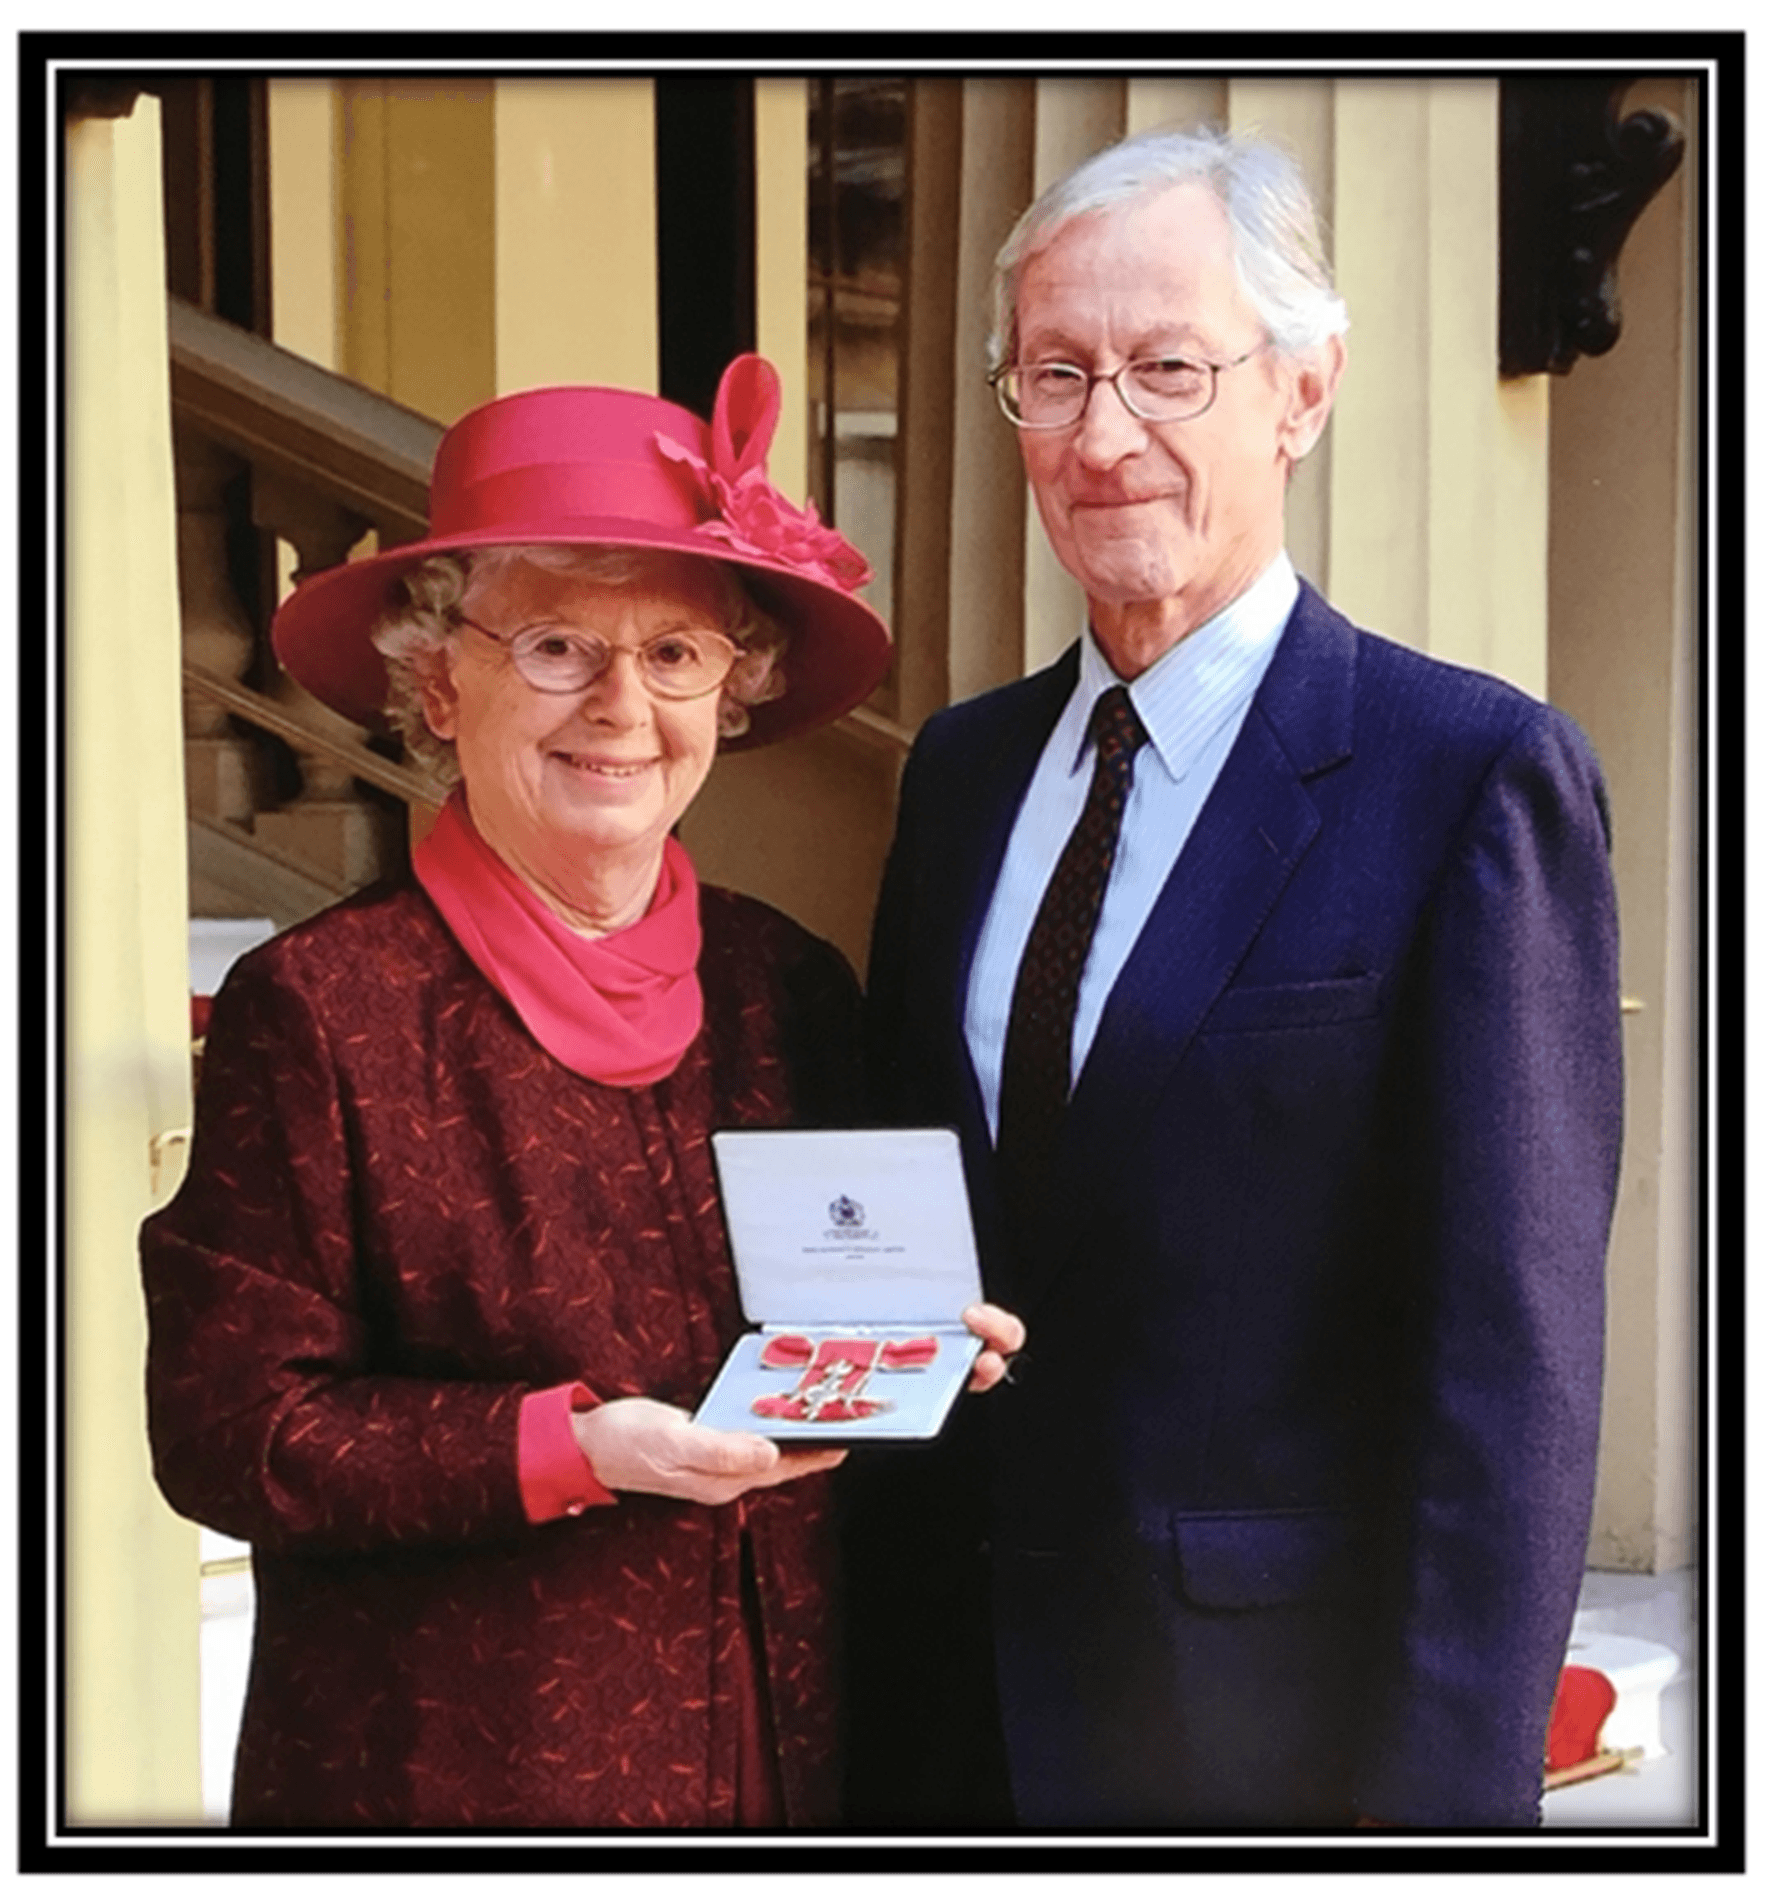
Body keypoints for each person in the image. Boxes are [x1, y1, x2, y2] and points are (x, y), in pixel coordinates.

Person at [849, 126, 1623, 1829]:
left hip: (1276, 1751)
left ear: (1301, 391)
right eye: (1052, 376)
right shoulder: (963, 774)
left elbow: (1509, 1375)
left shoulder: (1465, 777)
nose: (1103, 435)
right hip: (950, 1714)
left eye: (1165, 370)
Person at [140, 354, 1022, 1830]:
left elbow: (827, 1315)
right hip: (453, 1782)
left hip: (784, 1762)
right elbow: (233, 1427)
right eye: (555, 646)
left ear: (728, 694)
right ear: (439, 677)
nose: (621, 706)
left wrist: (920, 1344)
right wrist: (566, 1449)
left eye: (676, 656)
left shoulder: (782, 985)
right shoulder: (325, 1009)